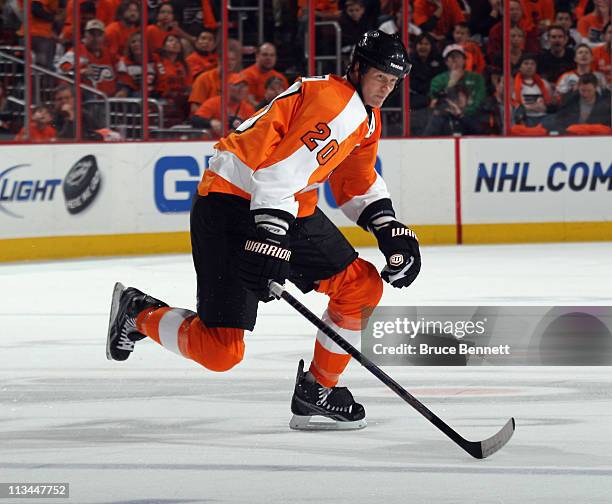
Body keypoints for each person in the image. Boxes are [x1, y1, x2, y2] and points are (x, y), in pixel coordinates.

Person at [106, 30, 420, 431]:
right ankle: (138, 312)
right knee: (220, 352)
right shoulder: (335, 103)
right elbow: (277, 172)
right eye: (380, 78)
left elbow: (355, 182)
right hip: (230, 205)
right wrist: (270, 238)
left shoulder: (363, 116)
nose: (386, 89)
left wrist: (388, 227)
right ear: (357, 68)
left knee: (360, 286)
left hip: (283, 205)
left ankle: (317, 391)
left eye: (393, 83)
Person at [57, 19, 120, 97]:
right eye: (92, 34)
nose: (95, 38)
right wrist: (80, 71)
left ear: (104, 37)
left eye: (99, 35)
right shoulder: (77, 51)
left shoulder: (110, 54)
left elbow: (121, 71)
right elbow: (62, 67)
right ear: (85, 35)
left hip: (110, 99)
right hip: (87, 99)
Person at [190, 73, 256, 138]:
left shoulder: (248, 109)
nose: (241, 90)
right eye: (238, 85)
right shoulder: (213, 102)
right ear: (227, 87)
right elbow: (195, 120)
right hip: (213, 143)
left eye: (244, 86)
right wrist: (211, 122)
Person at [430, 44, 486, 118]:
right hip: (446, 117)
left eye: (458, 56)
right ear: (446, 62)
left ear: (464, 60)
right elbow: (436, 101)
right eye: (452, 57)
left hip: (472, 117)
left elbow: (480, 100)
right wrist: (452, 82)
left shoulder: (477, 78)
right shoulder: (437, 80)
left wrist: (464, 113)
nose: (455, 60)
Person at [241, 43, 289, 108]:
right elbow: (249, 103)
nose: (268, 58)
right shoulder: (245, 75)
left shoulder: (280, 78)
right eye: (265, 55)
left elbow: (288, 101)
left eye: (272, 55)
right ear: (257, 56)